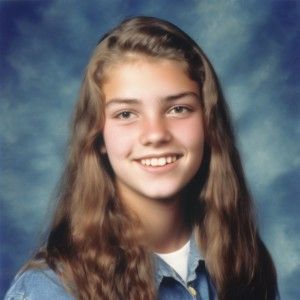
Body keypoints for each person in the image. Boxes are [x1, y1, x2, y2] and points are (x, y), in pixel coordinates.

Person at [5, 16, 279, 300]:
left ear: (209, 124)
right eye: (126, 114)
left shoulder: (247, 262)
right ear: (98, 137)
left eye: (178, 109)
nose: (155, 134)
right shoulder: (50, 290)